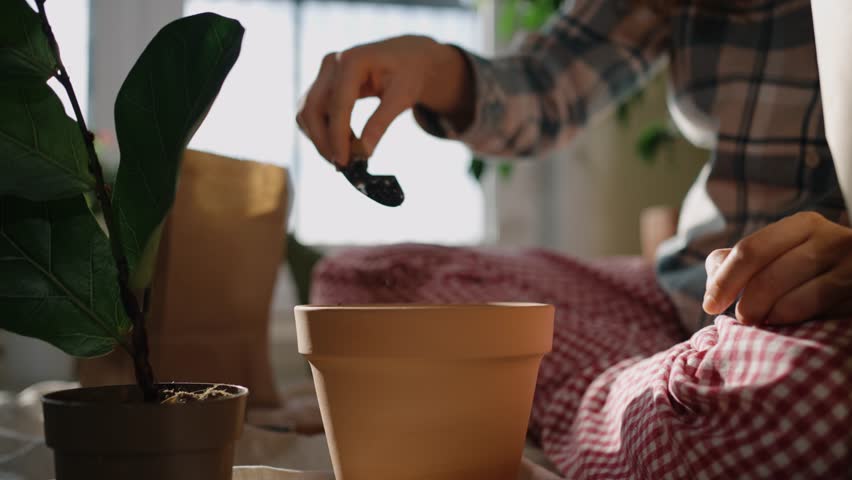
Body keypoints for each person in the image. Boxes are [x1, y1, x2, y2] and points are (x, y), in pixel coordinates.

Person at [297, 0, 851, 477]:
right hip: (682, 287)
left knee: (814, 407)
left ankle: (602, 396)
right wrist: (431, 64)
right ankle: (630, 390)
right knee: (361, 279)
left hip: (813, 331)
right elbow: (548, 83)